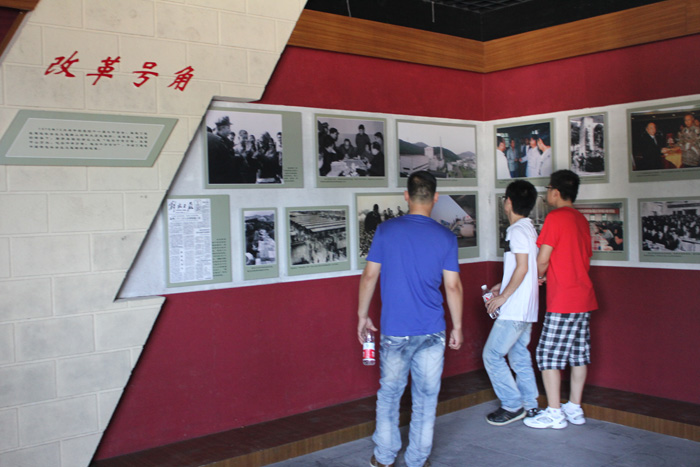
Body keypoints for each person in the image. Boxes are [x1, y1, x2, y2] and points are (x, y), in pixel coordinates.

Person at [357, 170, 463, 467]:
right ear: (435, 198)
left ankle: (384, 457)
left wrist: (362, 316)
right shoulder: (446, 236)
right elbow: (453, 286)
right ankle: (417, 459)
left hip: (395, 330)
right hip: (432, 330)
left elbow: (369, 277)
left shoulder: (386, 231)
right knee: (426, 398)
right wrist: (457, 327)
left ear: (406, 196)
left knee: (390, 395)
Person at [524, 170, 598, 430]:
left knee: (547, 355)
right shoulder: (581, 219)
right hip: (584, 296)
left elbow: (543, 259)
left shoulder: (555, 218)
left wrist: (536, 277)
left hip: (563, 299)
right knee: (579, 355)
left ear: (555, 192)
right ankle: (574, 408)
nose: (547, 194)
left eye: (548, 189)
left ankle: (555, 413)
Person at [482, 180, 541, 426]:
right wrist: (502, 285)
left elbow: (523, 267)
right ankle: (530, 405)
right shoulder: (529, 228)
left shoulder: (516, 231)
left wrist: (504, 296)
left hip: (515, 308)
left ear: (508, 202)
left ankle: (512, 405)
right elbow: (524, 268)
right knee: (519, 356)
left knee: (492, 355)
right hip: (527, 307)